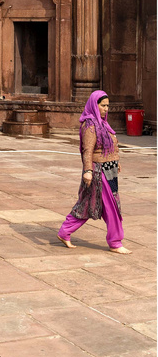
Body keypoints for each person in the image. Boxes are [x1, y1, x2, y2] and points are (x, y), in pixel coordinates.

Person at [56, 91, 125, 252]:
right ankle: (115, 242)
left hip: (110, 170)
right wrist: (87, 170)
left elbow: (111, 145)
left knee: (89, 204)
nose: (106, 109)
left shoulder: (103, 124)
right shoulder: (90, 125)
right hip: (98, 172)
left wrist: (117, 161)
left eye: (108, 105)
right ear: (95, 105)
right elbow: (88, 150)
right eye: (103, 105)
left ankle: (65, 232)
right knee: (111, 207)